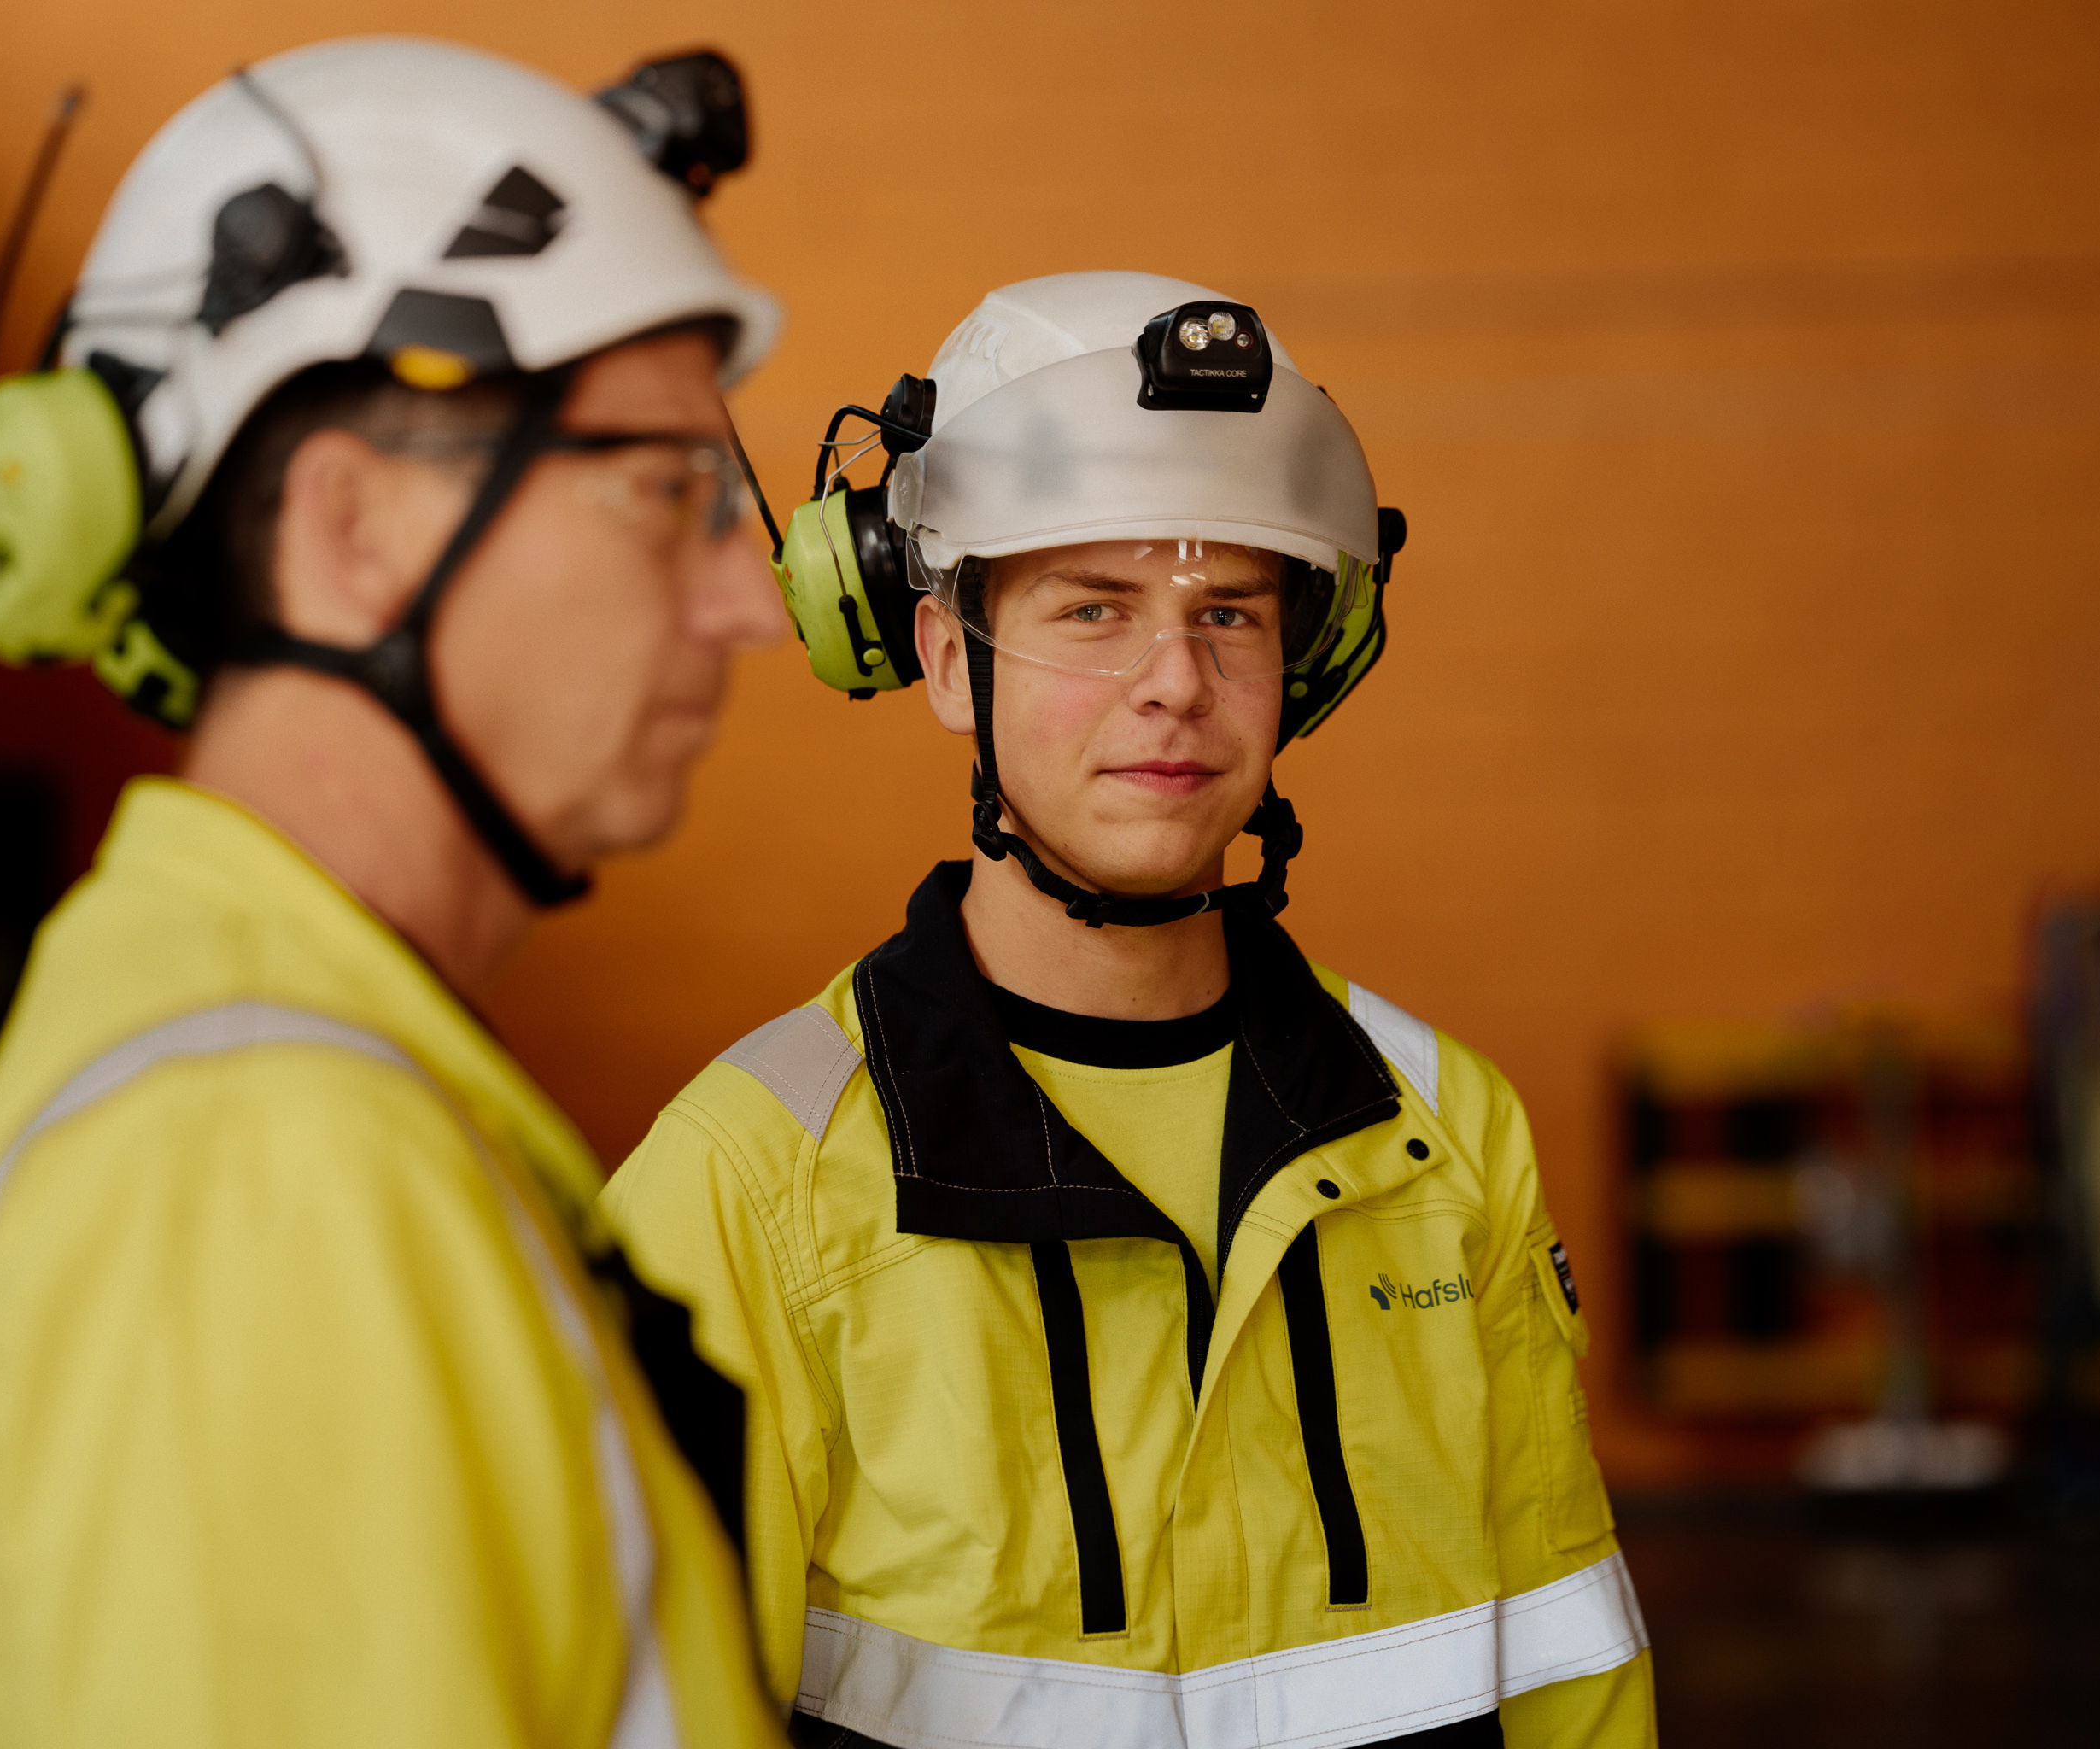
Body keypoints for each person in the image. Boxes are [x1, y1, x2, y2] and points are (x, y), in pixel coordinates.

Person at [0, 39, 791, 1749]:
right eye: (671, 491)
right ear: (353, 526)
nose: (750, 598)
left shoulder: (294, 1078)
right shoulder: (257, 1156)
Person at [602, 272, 1657, 1748]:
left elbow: (1569, 1679)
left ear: (1308, 665)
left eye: (1229, 612)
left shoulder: (1446, 1130)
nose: (1176, 683)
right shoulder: (748, 1181)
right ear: (948, 658)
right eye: (1092, 611)